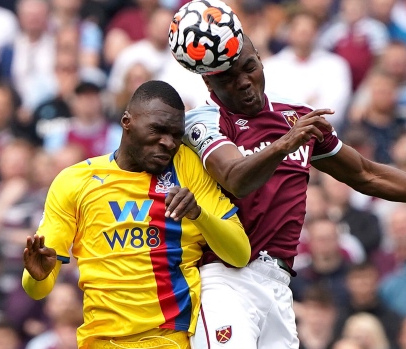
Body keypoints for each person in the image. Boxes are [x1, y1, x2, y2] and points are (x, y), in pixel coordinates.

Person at [178, 30, 406, 348]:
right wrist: (287, 143)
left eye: (249, 67)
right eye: (227, 78)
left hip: (278, 282)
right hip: (226, 278)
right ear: (209, 82)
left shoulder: (296, 117)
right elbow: (236, 177)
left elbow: (368, 175)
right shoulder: (204, 120)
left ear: (259, 58)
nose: (244, 83)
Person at [21, 80, 250, 349]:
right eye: (158, 130)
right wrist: (35, 276)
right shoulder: (74, 181)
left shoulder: (187, 166)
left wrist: (199, 214)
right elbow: (38, 289)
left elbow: (240, 253)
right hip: (100, 341)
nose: (168, 142)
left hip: (169, 338)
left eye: (176, 135)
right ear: (127, 121)